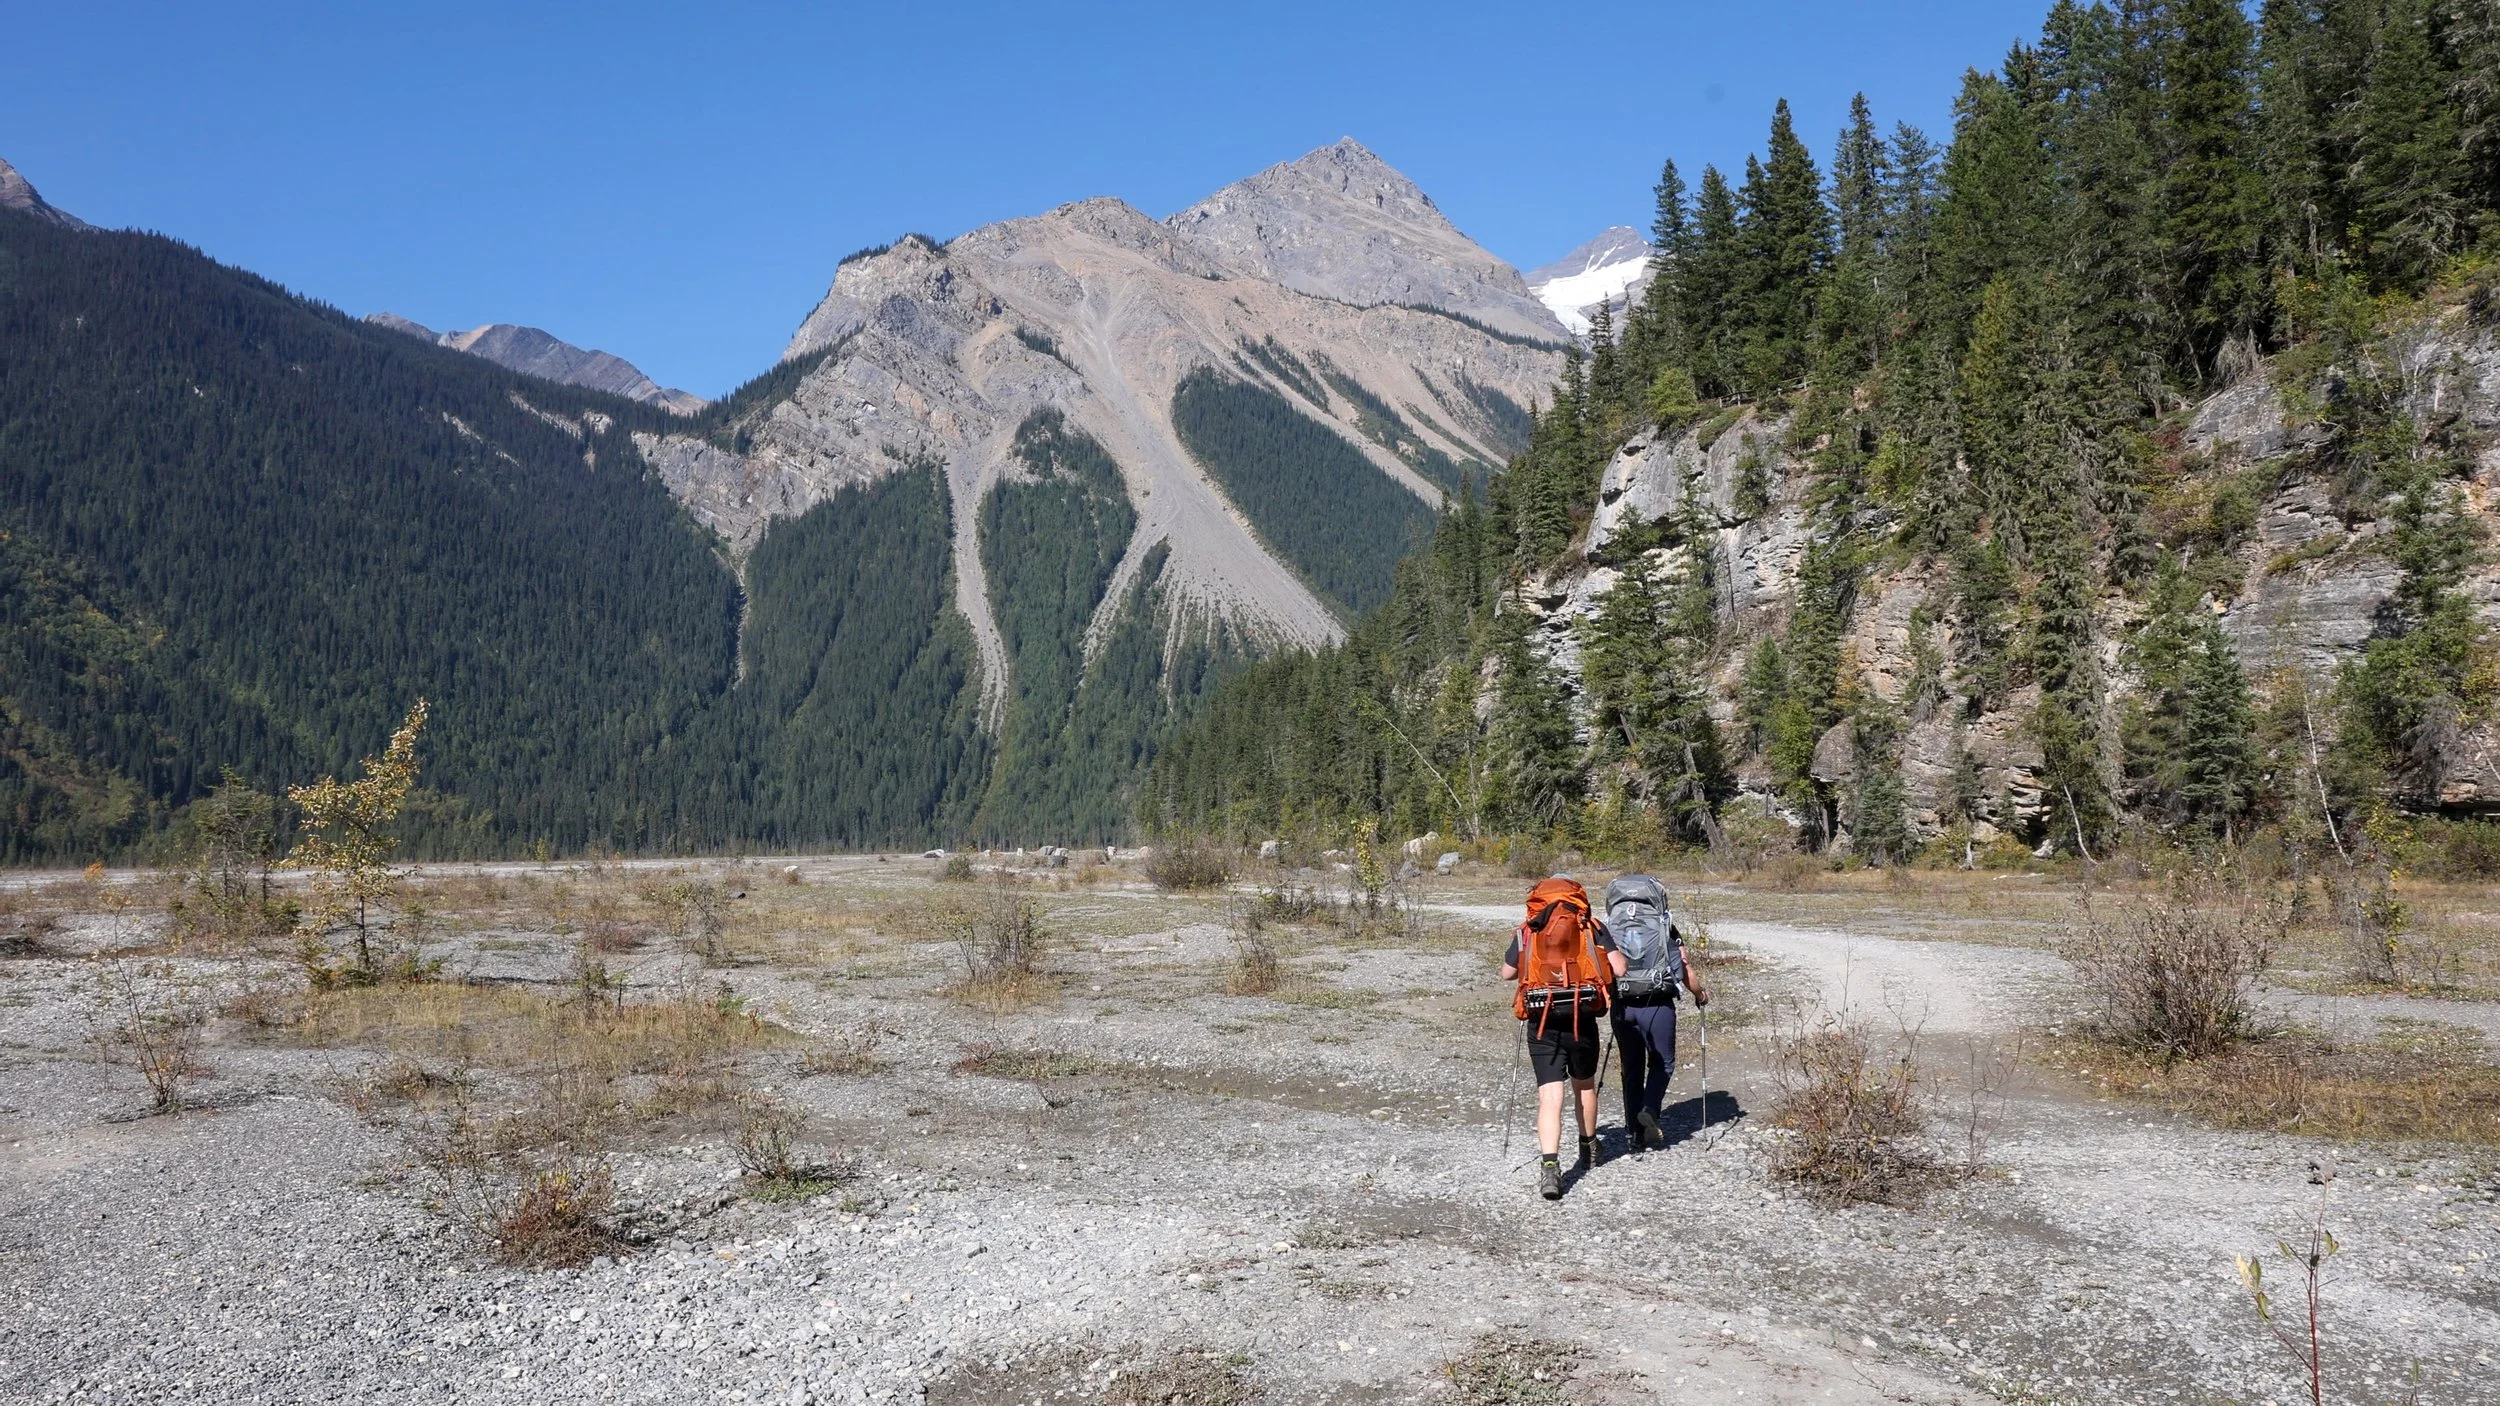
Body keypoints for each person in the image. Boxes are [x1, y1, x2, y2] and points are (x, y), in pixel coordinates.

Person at [1500, 875, 1624, 1199]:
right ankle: (1588, 1149)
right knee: (1584, 1085)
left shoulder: (1529, 928)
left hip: (1542, 1019)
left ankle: (1550, 1168)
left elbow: (1506, 972)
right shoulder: (1590, 925)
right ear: (1577, 897)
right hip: (1581, 1018)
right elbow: (1619, 968)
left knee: (1550, 1097)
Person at [1600, 874, 1709, 1150]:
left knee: (1631, 1067)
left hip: (1623, 1004)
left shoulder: (1610, 925)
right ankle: (1650, 1107)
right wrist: (1700, 994)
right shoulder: (1666, 925)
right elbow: (1683, 967)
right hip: (1658, 1003)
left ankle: (1634, 1133)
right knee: (1663, 1063)